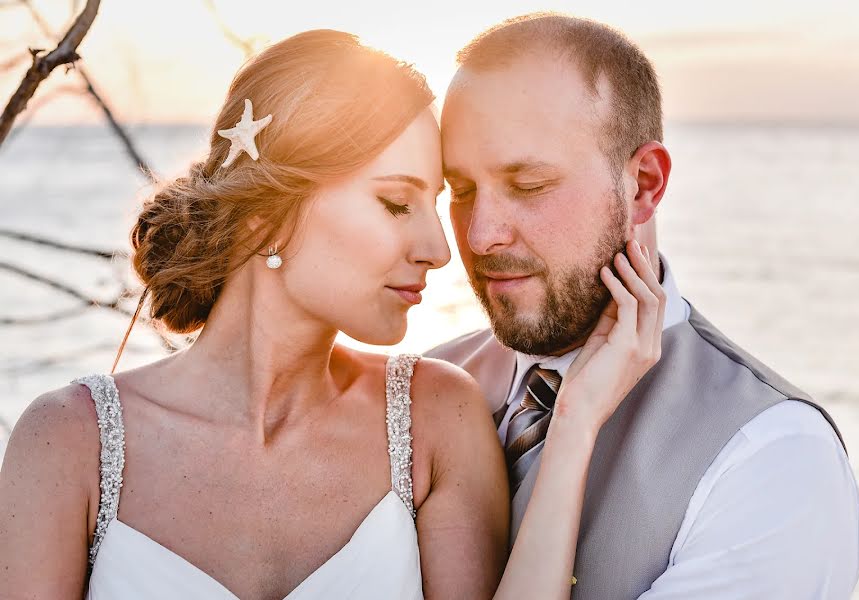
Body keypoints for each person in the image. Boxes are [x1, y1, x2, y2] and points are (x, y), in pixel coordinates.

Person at [0, 29, 665, 600]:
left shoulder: (435, 419)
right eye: (396, 203)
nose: (439, 249)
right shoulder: (70, 441)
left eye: (439, 201)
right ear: (268, 215)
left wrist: (574, 424)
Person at [428, 13, 859, 599]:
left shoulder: (772, 457)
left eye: (528, 185)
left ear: (644, 185)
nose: (480, 236)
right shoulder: (424, 386)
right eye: (460, 191)